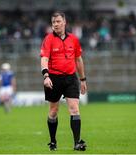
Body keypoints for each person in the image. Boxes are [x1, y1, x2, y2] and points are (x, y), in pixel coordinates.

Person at [40, 11, 87, 151]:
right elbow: (44, 59)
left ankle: (77, 143)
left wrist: (83, 79)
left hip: (71, 78)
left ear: (64, 22)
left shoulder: (74, 39)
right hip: (53, 78)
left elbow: (78, 59)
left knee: (74, 109)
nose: (55, 24)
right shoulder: (48, 39)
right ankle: (53, 141)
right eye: (53, 22)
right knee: (53, 111)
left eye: (58, 21)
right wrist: (46, 76)